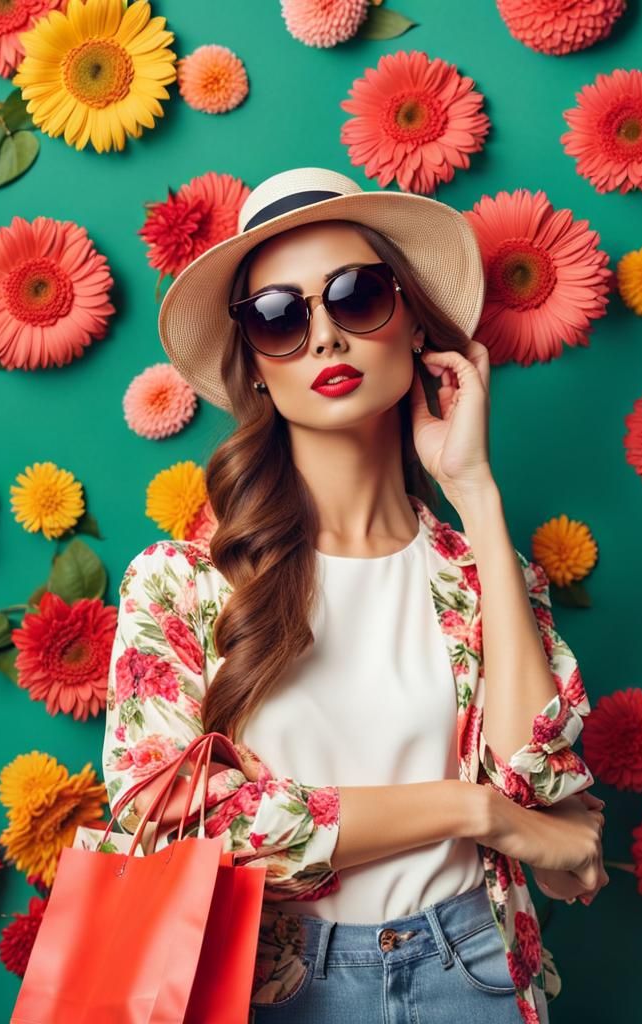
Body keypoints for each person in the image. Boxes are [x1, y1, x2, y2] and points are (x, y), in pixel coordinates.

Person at [102, 166, 608, 1024]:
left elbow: (538, 784)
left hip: (473, 967)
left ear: (414, 324)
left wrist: (476, 492)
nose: (326, 337)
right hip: (274, 984)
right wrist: (469, 810)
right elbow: (187, 823)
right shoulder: (181, 584)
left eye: (357, 296)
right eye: (279, 318)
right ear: (254, 368)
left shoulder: (482, 575)